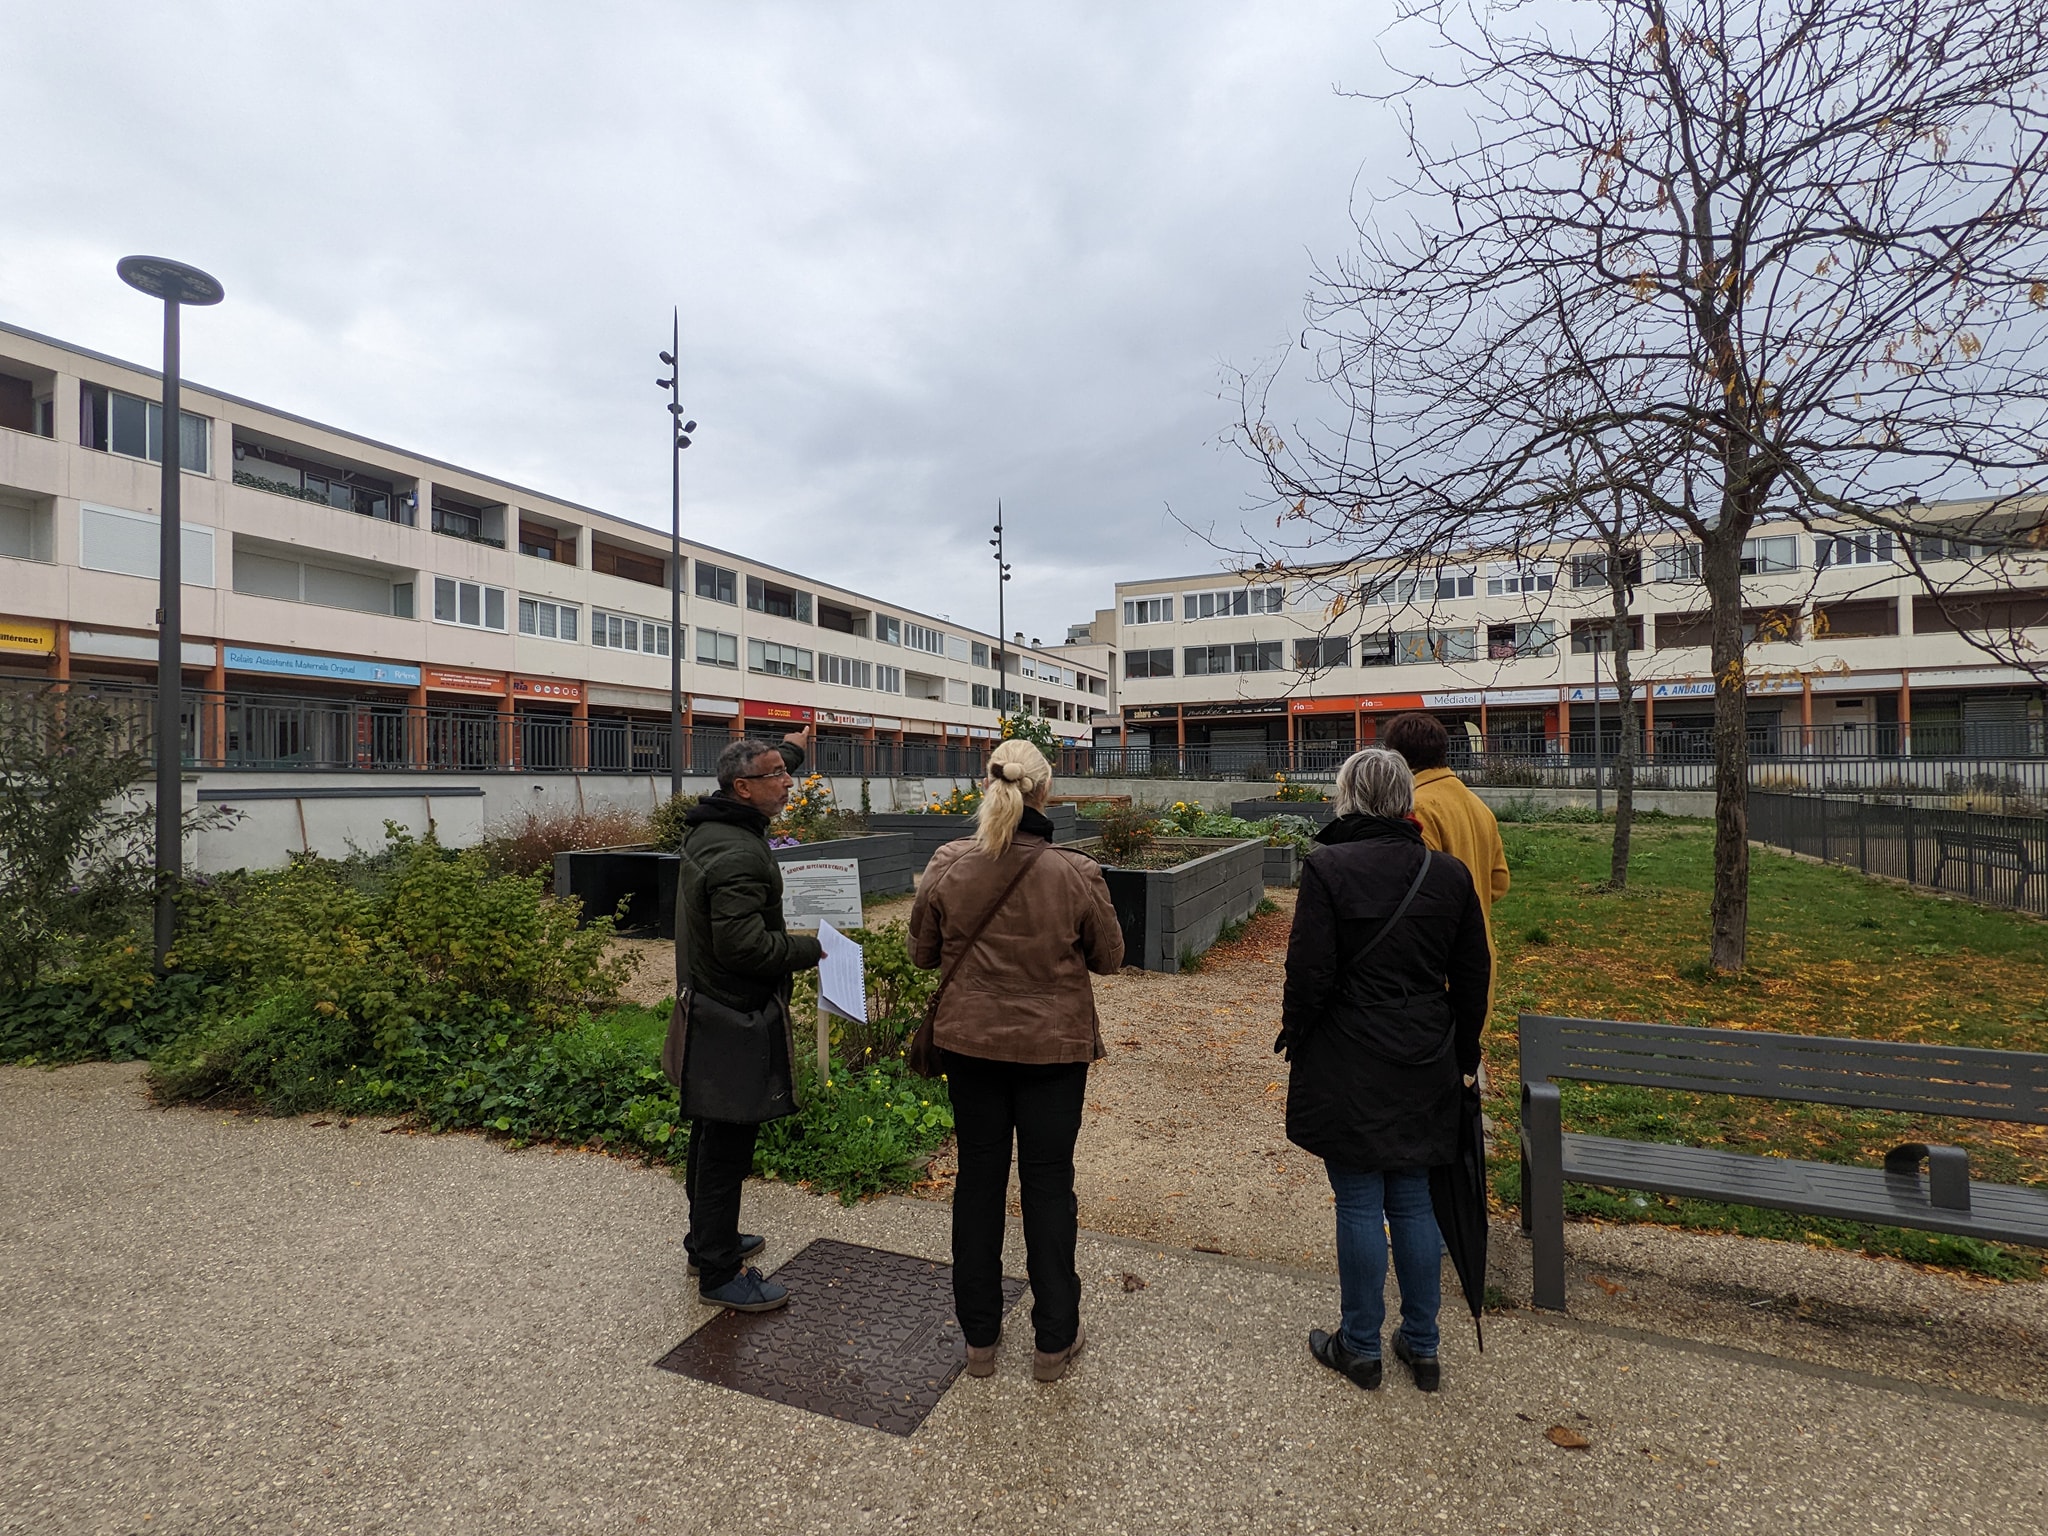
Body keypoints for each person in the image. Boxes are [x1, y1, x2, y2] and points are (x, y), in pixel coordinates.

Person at [1278, 747, 1492, 1393]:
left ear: (1348, 796)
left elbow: (1309, 972)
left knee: (1359, 1200)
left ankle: (1361, 1344)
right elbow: (1473, 973)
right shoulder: (1447, 873)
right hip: (1424, 1051)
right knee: (1416, 1199)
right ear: (1406, 799)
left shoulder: (1329, 867)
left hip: (1350, 1053)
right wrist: (1463, 1051)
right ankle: (1423, 1345)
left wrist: (1299, 1033)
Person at [909, 739, 1123, 1383]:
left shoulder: (950, 863)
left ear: (987, 786)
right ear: (1044, 793)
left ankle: (979, 1340)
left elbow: (923, 955)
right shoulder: (1074, 871)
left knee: (977, 1182)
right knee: (1050, 1185)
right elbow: (1109, 957)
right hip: (1052, 1051)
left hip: (970, 1046)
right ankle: (1054, 1340)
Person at [675, 728, 821, 1313]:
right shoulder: (736, 852)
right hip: (730, 1013)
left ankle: (706, 1239)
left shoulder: (714, 825)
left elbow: (771, 760)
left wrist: (791, 747)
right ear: (743, 786)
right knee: (726, 1144)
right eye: (779, 777)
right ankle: (718, 1272)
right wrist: (810, 949)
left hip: (709, 1005)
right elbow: (746, 949)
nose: (789, 782)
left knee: (712, 1134)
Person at [1380, 712, 1510, 953]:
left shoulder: (1414, 809)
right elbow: (1499, 883)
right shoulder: (1477, 804)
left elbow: (1413, 890)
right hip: (1478, 953)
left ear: (1396, 758)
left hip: (1437, 959)